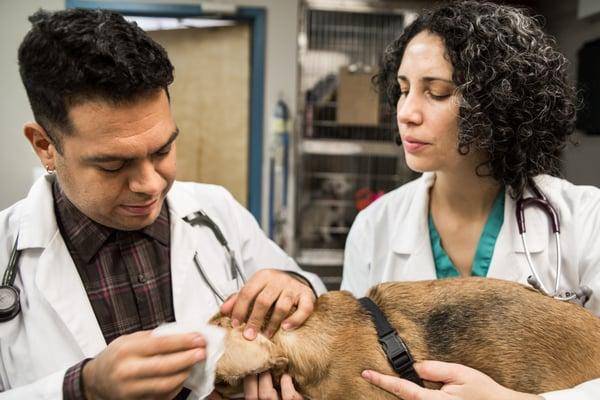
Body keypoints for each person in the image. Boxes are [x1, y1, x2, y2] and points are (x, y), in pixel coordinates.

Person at [0, 8, 325, 400]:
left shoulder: (215, 209)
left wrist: (294, 286)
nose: (150, 184)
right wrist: (82, 388)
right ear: (45, 147)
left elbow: (308, 294)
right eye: (113, 164)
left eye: (163, 149)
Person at [341, 1, 600, 399]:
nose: (406, 113)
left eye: (438, 92)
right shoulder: (376, 225)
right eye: (404, 89)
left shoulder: (585, 218)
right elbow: (355, 363)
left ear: (498, 104)